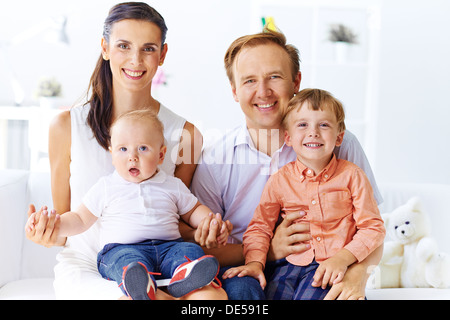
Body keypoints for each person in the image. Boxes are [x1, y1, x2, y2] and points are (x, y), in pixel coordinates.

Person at [24, 2, 219, 300]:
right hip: (90, 267)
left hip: (162, 262)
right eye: (124, 46)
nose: (136, 60)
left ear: (162, 55)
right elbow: (64, 229)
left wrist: (206, 228)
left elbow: (177, 217)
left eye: (148, 48)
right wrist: (46, 232)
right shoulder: (66, 126)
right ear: (105, 48)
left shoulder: (186, 134)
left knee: (213, 299)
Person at [190, 28, 384, 300]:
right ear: (234, 91)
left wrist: (357, 275)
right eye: (249, 81)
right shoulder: (215, 158)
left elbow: (373, 228)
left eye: (274, 77)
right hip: (248, 271)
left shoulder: (336, 142)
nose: (263, 91)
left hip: (328, 268)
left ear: (296, 81)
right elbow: (202, 247)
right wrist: (269, 251)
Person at [26, 110, 228, 300]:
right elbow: (79, 219)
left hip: (169, 247)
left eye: (142, 148)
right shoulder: (106, 187)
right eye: (123, 149)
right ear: (112, 155)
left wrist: (210, 221)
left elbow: (193, 210)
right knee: (128, 262)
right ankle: (139, 281)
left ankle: (184, 276)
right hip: (122, 249)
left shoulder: (172, 185)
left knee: (190, 252)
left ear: (161, 155)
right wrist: (56, 224)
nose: (132, 156)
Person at [223, 89, 386, 300]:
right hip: (286, 268)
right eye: (303, 125)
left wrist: (343, 260)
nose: (313, 132)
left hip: (330, 268)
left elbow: (373, 227)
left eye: (324, 125)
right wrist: (255, 262)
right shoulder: (279, 180)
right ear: (288, 138)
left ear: (339, 137)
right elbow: (260, 227)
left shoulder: (353, 176)